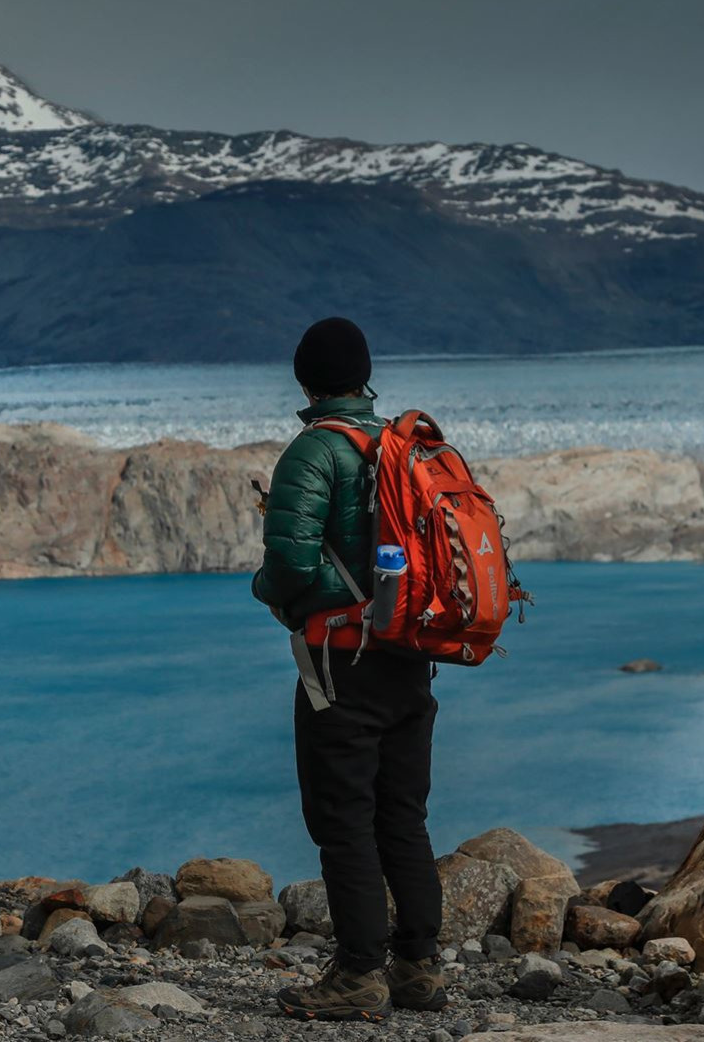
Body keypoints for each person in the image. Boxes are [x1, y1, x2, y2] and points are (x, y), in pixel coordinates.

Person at [251, 316, 445, 1022]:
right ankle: (419, 967)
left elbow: (291, 566)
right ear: (365, 376)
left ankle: (359, 974)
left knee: (344, 818)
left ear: (306, 380)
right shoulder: (404, 447)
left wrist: (264, 591)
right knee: (404, 814)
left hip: (342, 663)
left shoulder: (314, 453)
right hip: (413, 657)